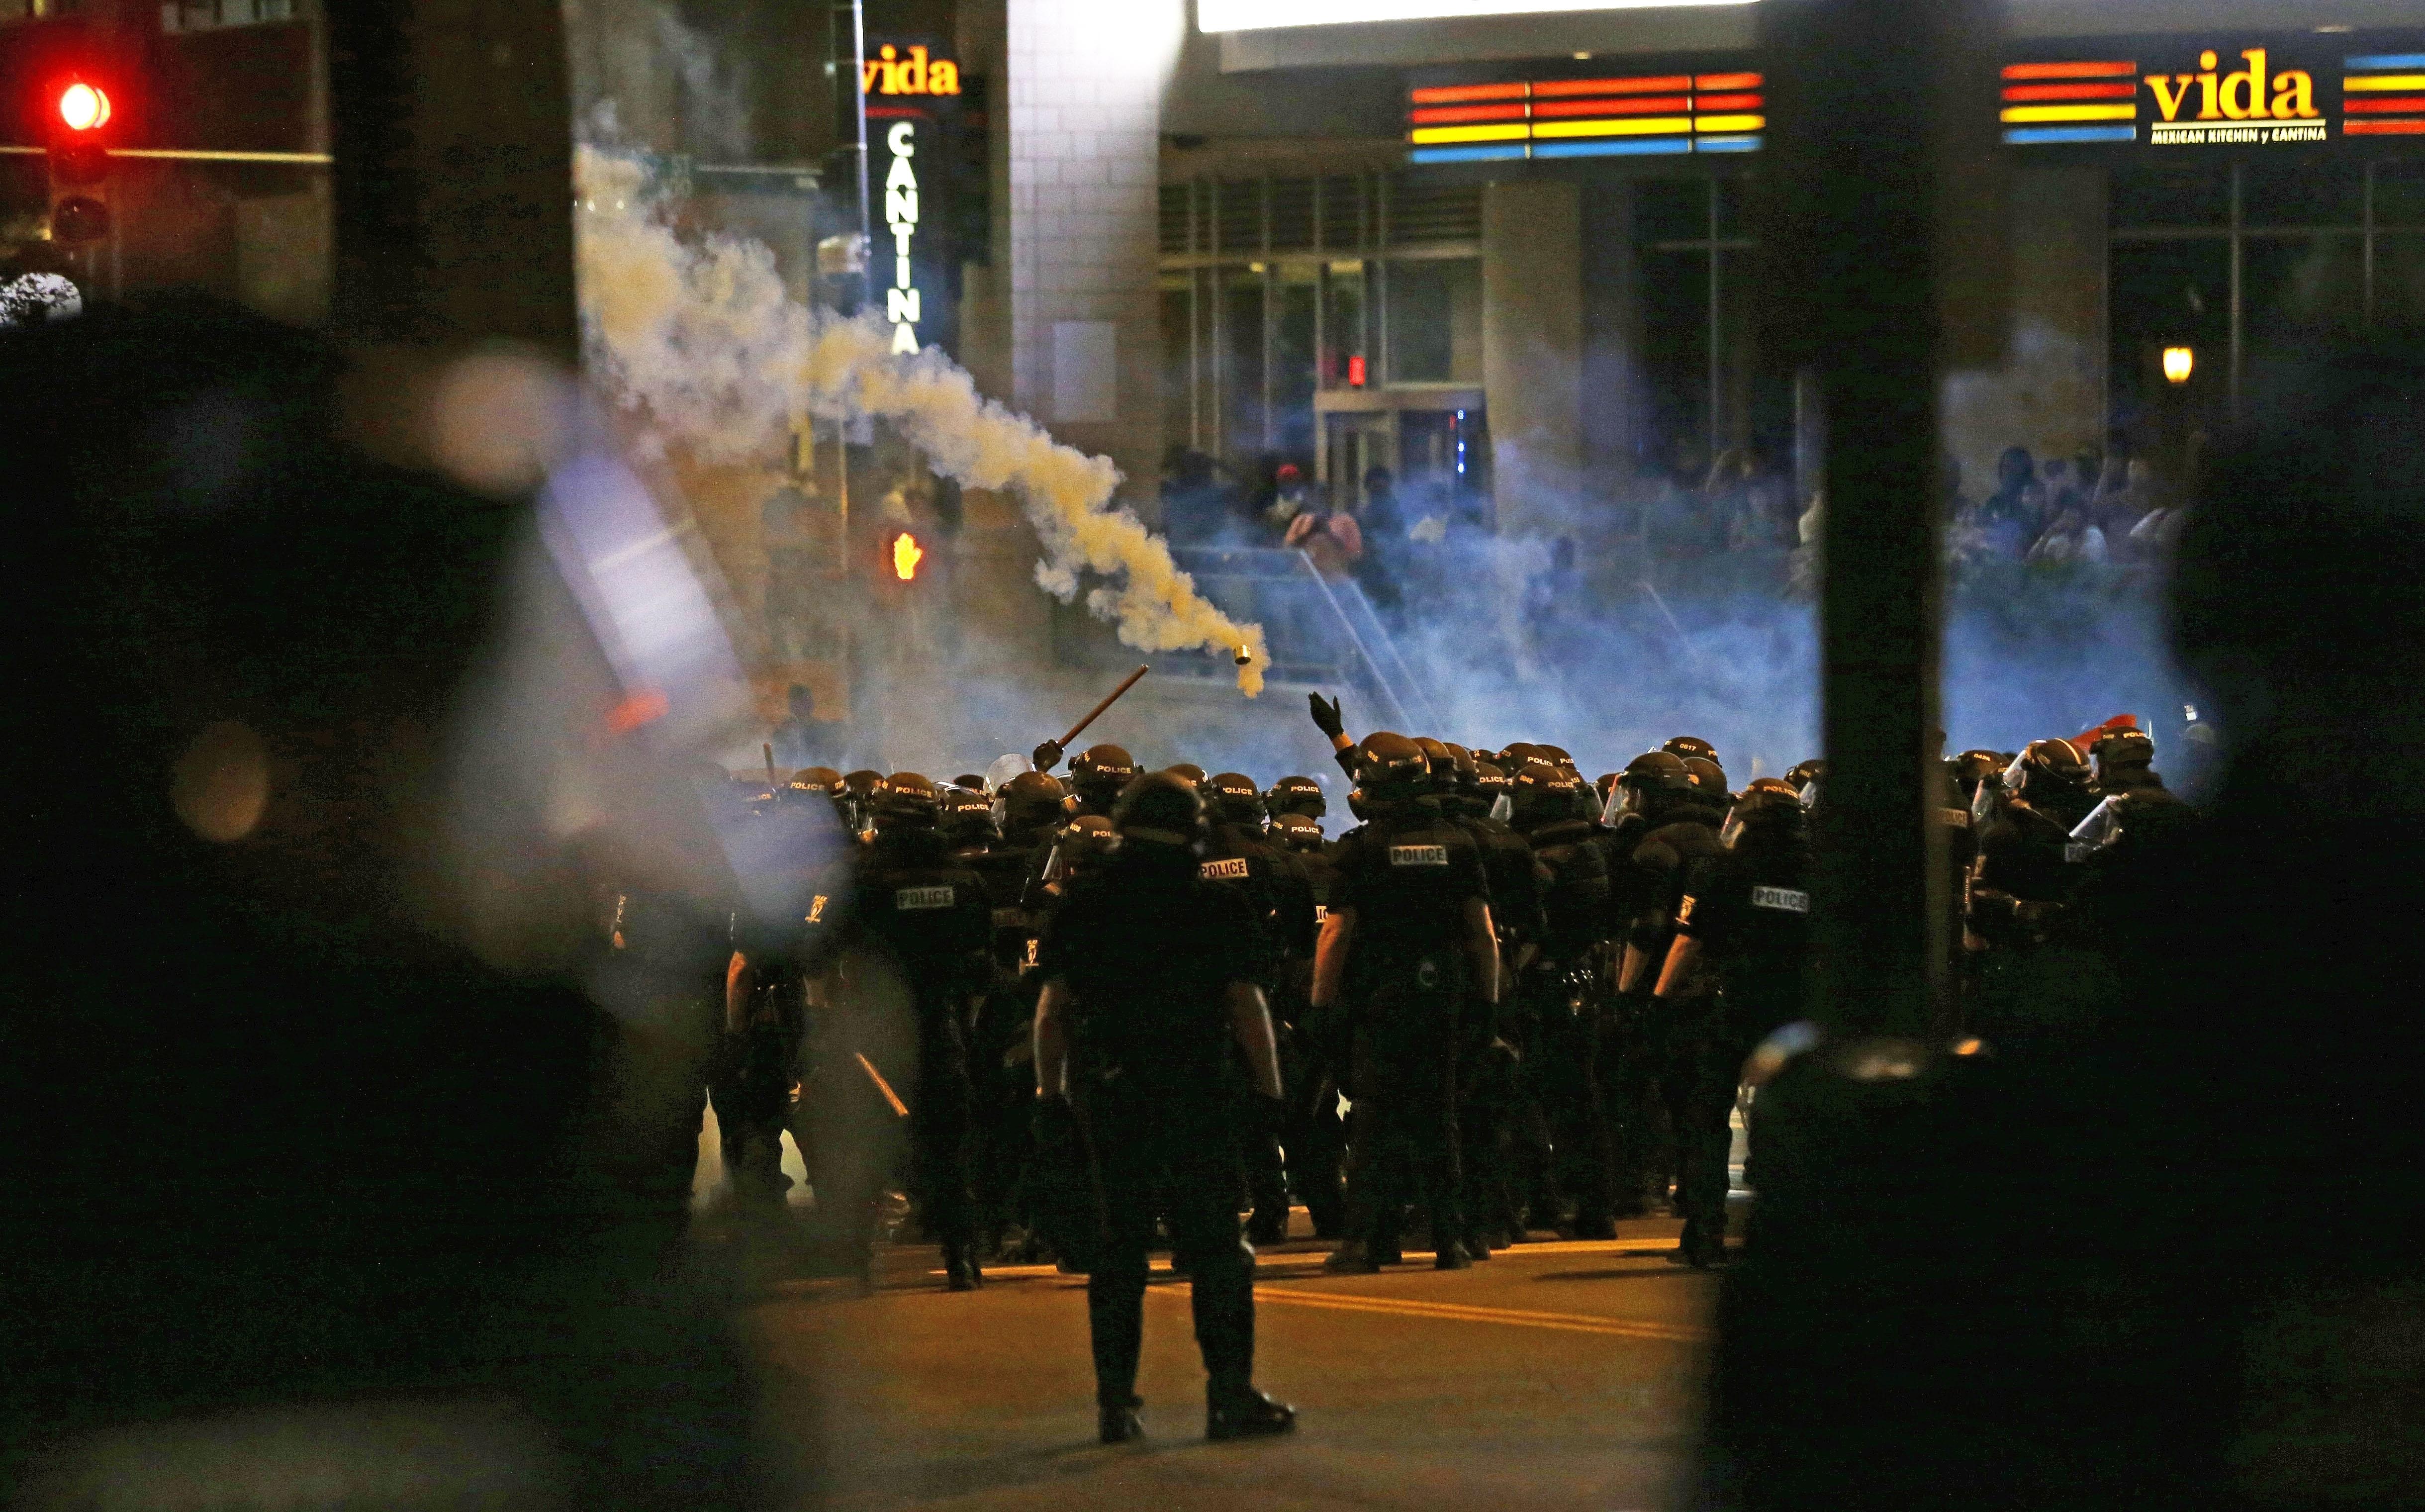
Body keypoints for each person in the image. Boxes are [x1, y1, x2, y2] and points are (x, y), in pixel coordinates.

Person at [1031, 773, 1297, 1444]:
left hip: (1112, 1088)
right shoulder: (1215, 905)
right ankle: (1229, 1398)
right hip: (1197, 1091)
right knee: (1217, 1252)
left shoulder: (1083, 902)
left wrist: (1050, 1093)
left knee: (1118, 1252)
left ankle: (1115, 1407)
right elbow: (1247, 1005)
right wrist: (1268, 1090)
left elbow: (1054, 1008)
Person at [1317, 733, 1499, 1272]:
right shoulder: (1460, 843)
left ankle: (1366, 1242)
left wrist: (1320, 1006)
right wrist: (1486, 1005)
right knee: (1439, 1117)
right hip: (1443, 998)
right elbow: (1482, 934)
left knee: (1374, 1123)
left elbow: (1337, 934)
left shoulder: (1359, 849)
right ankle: (1451, 1240)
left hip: (1380, 999)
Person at [818, 772, 994, 1290]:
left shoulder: (854, 877)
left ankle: (854, 1262)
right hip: (940, 1027)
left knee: (861, 1149)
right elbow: (981, 965)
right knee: (948, 1151)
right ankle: (960, 1257)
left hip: (870, 1035)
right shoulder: (965, 881)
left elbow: (820, 951)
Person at [1648, 778, 1813, 1266]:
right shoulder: (1820, 869)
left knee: (1709, 1118)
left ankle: (1705, 1232)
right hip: (1795, 1008)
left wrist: (1658, 999)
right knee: (1787, 1115)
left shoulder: (1722, 867)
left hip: (1734, 1002)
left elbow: (1688, 940)